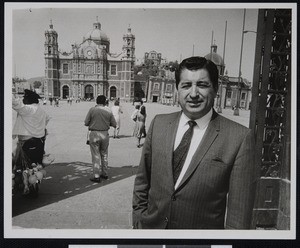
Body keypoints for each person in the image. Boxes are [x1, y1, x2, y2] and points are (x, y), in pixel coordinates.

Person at [132, 56, 257, 229]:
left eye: (202, 85)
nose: (193, 94)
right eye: (186, 85)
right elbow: (142, 181)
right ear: (177, 89)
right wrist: (139, 220)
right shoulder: (159, 124)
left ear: (215, 89)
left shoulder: (239, 138)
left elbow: (238, 217)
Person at [12, 89, 50, 194]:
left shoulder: (29, 109)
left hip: (26, 142)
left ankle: (24, 185)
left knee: (20, 164)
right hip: (39, 142)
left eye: (24, 98)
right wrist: (39, 128)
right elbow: (47, 119)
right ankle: (32, 182)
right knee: (35, 164)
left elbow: (16, 105)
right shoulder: (42, 111)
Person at [84, 95, 117, 183]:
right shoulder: (109, 110)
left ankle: (96, 175)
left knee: (96, 155)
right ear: (105, 102)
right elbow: (114, 124)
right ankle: (105, 173)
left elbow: (86, 122)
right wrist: (105, 123)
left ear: (96, 101)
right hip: (105, 134)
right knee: (104, 154)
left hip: (94, 133)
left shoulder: (92, 110)